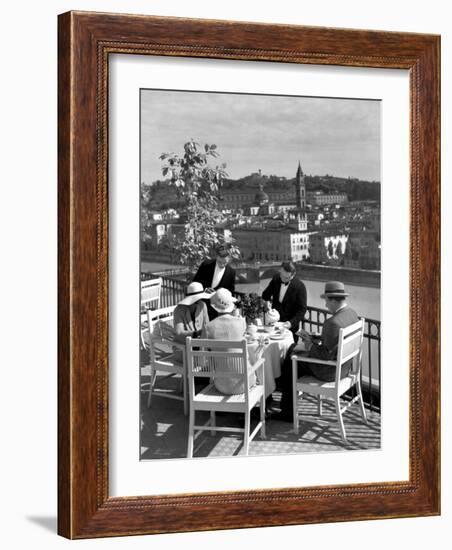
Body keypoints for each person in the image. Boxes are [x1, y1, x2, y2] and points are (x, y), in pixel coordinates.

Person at [271, 281, 359, 422]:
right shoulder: (352, 314)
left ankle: (287, 410)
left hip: (329, 372)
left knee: (290, 359)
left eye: (326, 301)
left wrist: (308, 345)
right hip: (345, 368)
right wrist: (316, 338)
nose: (325, 305)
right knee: (293, 353)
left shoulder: (332, 323)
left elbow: (324, 355)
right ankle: (288, 401)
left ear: (333, 300)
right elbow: (334, 343)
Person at [202, 288, 256, 395]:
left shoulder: (208, 327)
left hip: (220, 385)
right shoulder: (241, 322)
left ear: (214, 306)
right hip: (244, 383)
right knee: (256, 361)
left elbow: (202, 360)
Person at [262, 261, 307, 336]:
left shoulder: (300, 287)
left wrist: (290, 323)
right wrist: (267, 302)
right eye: (281, 275)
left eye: (286, 278)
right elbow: (265, 295)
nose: (282, 279)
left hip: (290, 328)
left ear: (293, 275)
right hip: (273, 325)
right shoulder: (276, 278)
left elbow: (302, 310)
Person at [192, 244, 236, 319]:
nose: (222, 264)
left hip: (218, 310)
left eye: (224, 263)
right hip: (202, 306)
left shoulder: (231, 272)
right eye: (220, 262)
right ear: (217, 257)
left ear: (229, 259)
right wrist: (204, 289)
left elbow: (231, 291)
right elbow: (195, 283)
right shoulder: (206, 265)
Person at [172, 281, 211, 362]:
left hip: (200, 346)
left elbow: (207, 326)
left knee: (215, 355)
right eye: (198, 299)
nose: (199, 300)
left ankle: (202, 372)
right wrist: (197, 333)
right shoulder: (179, 310)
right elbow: (179, 332)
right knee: (206, 359)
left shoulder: (202, 305)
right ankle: (198, 373)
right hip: (183, 348)